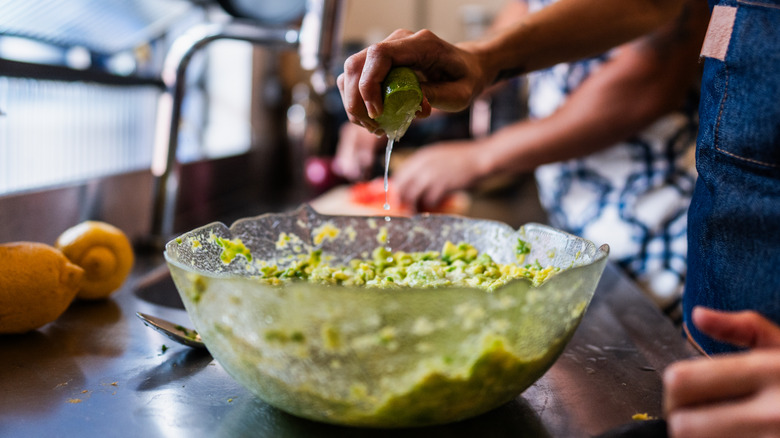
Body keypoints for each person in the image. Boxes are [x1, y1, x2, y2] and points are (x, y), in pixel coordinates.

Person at [336, 0, 780, 436]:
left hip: (656, 228)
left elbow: (656, 59)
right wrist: (477, 60)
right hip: (663, 239)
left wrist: (484, 154)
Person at [333, 0, 706, 316]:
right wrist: (441, 80)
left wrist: (481, 157)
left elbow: (651, 75)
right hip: (578, 224)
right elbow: (527, 9)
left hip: (660, 230)